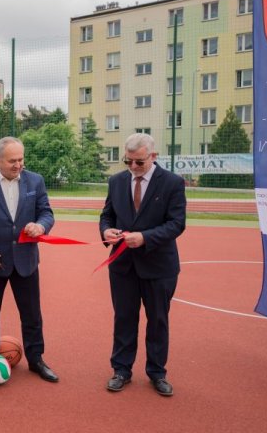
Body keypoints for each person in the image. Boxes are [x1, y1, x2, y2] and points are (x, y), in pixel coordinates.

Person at [99, 133, 186, 397]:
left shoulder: (172, 182)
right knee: (124, 318)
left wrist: (145, 238)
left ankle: (157, 372)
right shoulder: (116, 181)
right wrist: (106, 231)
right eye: (129, 161)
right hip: (123, 265)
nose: (133, 167)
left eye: (139, 162)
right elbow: (107, 215)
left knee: (158, 320)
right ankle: (121, 370)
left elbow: (176, 223)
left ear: (153, 156)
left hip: (159, 267)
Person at [0, 136, 58, 384]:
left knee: (31, 314)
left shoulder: (35, 181)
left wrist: (41, 226)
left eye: (21, 159)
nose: (18, 164)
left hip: (26, 260)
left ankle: (36, 359)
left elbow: (46, 213)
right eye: (12, 161)